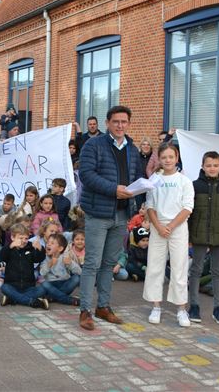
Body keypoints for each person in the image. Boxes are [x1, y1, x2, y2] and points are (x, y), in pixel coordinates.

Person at [77, 105, 145, 330]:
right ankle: (85, 310)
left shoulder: (132, 149)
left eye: (124, 122)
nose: (120, 125)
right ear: (108, 123)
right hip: (98, 212)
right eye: (116, 121)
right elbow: (87, 175)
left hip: (122, 213)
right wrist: (113, 189)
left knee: (109, 263)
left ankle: (103, 306)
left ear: (129, 123)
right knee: (92, 263)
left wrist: (139, 190)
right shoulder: (93, 145)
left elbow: (136, 177)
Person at [187, 151, 219, 326]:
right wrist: (188, 236)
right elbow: (189, 213)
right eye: (208, 165)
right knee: (196, 270)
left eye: (215, 165)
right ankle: (193, 305)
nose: (212, 168)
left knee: (217, 272)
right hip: (199, 235)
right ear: (202, 166)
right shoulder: (194, 186)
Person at [143, 142, 194, 327]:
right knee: (155, 266)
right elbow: (150, 205)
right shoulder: (155, 179)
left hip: (178, 228)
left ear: (177, 158)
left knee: (179, 268)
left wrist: (171, 227)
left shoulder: (184, 181)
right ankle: (156, 306)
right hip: (158, 228)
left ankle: (181, 309)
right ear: (160, 159)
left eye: (171, 157)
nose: (167, 160)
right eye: (164, 157)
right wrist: (158, 226)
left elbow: (187, 207)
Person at [0, 224, 48, 308]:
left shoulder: (30, 247)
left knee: (42, 289)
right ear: (13, 238)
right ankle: (32, 302)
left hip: (29, 286)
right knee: (4, 287)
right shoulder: (9, 248)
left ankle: (13, 299)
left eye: (26, 238)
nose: (23, 241)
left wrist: (40, 249)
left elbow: (38, 259)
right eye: (20, 238)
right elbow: (2, 257)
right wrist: (11, 246)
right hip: (12, 285)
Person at [40, 233, 81, 306]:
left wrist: (70, 263)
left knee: (76, 278)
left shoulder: (64, 257)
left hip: (64, 283)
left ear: (60, 248)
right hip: (51, 284)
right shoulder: (44, 257)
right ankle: (69, 300)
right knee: (44, 284)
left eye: (52, 243)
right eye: (48, 242)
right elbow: (42, 273)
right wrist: (49, 264)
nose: (48, 245)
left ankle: (53, 297)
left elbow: (79, 272)